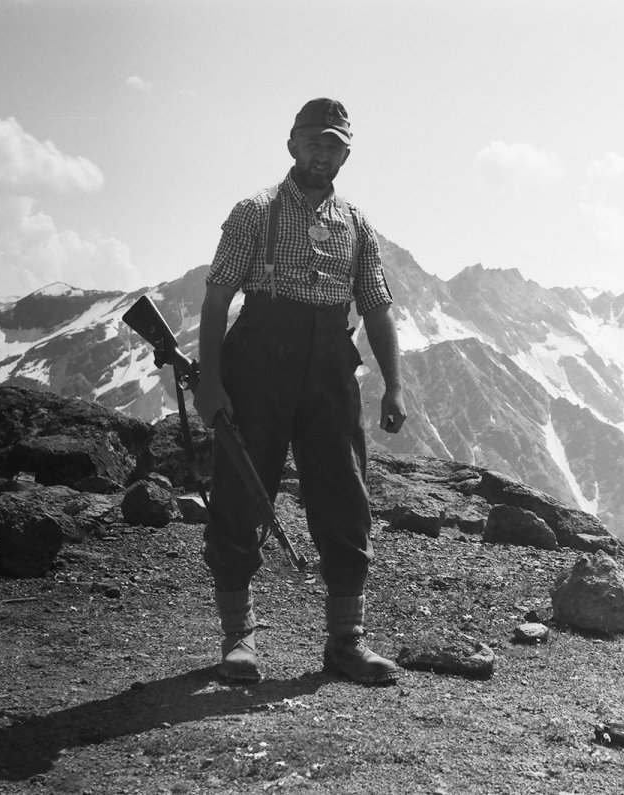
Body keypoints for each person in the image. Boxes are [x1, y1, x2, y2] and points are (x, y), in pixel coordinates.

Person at [193, 98, 406, 685]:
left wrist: (393, 386)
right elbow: (217, 298)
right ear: (291, 145)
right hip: (259, 357)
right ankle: (238, 639)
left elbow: (376, 307)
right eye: (313, 141)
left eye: (334, 144)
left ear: (346, 154)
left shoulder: (357, 223)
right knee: (241, 491)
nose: (322, 152)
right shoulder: (254, 212)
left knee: (344, 494)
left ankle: (346, 642)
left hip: (331, 363)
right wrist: (210, 381)